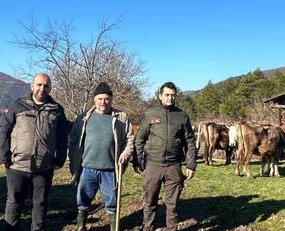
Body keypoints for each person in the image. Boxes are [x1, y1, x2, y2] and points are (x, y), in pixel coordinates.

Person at [0, 73, 69, 231]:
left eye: (46, 86)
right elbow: (3, 130)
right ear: (32, 86)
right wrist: (2, 156)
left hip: (44, 167)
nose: (42, 89)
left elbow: (62, 137)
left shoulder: (57, 110)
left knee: (40, 203)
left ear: (50, 88)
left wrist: (60, 159)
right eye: (39, 85)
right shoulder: (18, 105)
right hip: (17, 165)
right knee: (14, 202)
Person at [68, 82, 135, 231]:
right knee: (83, 199)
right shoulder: (83, 118)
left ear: (111, 99)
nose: (103, 102)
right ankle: (81, 226)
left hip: (110, 169)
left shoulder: (121, 117)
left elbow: (130, 138)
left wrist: (125, 154)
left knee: (112, 201)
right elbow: (73, 139)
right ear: (94, 99)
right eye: (100, 99)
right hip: (87, 167)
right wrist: (73, 159)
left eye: (106, 99)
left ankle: (114, 227)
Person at [134, 81, 197, 231]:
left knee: (172, 204)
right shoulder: (150, 113)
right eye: (167, 95)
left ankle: (172, 228)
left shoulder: (182, 116)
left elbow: (190, 141)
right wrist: (137, 161)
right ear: (160, 95)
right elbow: (139, 139)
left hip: (173, 166)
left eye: (173, 95)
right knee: (150, 201)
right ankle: (148, 227)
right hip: (153, 165)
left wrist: (191, 164)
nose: (170, 98)